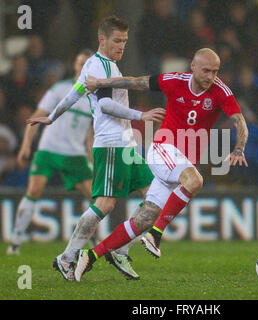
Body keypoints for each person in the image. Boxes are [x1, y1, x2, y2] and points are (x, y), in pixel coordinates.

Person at [73, 47, 249, 281]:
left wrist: (239, 148)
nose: (210, 76)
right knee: (195, 180)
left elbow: (240, 122)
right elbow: (135, 82)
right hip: (163, 149)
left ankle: (90, 256)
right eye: (206, 70)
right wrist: (101, 82)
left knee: (143, 219)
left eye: (215, 71)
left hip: (180, 164)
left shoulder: (220, 91)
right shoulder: (173, 81)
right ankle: (157, 235)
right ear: (193, 67)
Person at [26, 16, 166, 281]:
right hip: (111, 143)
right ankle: (67, 257)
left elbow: (74, 93)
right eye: (117, 41)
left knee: (154, 196)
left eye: (124, 41)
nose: (121, 46)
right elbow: (103, 106)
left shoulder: (107, 65)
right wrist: (141, 115)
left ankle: (120, 248)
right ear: (102, 39)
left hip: (126, 144)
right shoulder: (99, 66)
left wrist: (52, 116)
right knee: (105, 204)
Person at [6, 50, 94, 256]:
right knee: (34, 190)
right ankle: (16, 242)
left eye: (88, 65)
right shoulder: (59, 89)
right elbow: (36, 117)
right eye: (81, 64)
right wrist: (26, 146)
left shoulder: (94, 98)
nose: (83, 68)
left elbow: (89, 133)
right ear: (74, 65)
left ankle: (88, 239)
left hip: (75, 154)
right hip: (49, 149)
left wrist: (91, 156)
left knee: (97, 200)